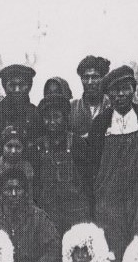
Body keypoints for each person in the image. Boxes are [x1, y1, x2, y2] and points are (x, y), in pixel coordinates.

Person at [87, 65, 138, 262]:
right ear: (108, 95)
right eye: (115, 90)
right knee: (112, 254)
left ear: (133, 90)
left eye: (125, 88)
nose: (120, 94)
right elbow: (93, 165)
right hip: (109, 203)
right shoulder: (100, 125)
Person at [32, 94, 94, 232]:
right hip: (48, 215)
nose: (52, 122)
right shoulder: (38, 146)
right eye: (47, 118)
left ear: (65, 118)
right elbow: (35, 185)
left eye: (56, 117)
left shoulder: (78, 144)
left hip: (77, 214)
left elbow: (88, 181)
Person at [0, 64, 45, 170]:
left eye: (21, 85)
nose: (17, 90)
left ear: (29, 86)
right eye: (12, 85)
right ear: (5, 87)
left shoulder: (36, 115)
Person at [0, 126, 38, 214]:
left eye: (17, 147)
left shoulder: (27, 168)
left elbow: (30, 197)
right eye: (9, 146)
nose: (13, 151)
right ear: (3, 146)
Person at [71, 56, 111, 138]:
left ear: (103, 78)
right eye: (86, 77)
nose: (90, 82)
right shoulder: (71, 108)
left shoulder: (112, 107)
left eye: (95, 77)